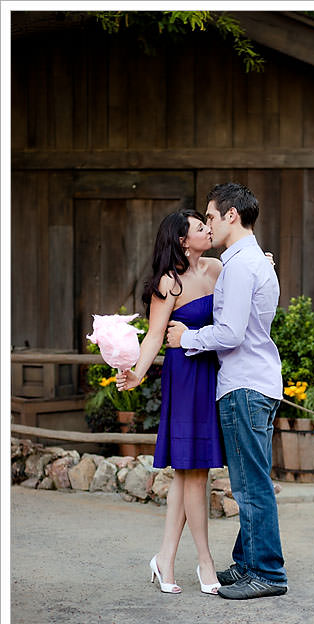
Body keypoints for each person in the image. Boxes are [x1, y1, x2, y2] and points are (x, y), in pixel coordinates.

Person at [166, 183, 288, 600]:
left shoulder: (239, 266)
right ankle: (246, 562)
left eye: (212, 216)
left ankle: (268, 573)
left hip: (244, 385)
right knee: (252, 480)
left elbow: (232, 333)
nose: (209, 223)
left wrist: (186, 338)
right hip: (259, 382)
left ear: (231, 216)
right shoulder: (257, 261)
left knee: (251, 486)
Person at [117, 209, 224, 595]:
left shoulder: (215, 269)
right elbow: (153, 336)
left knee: (188, 471)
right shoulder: (169, 283)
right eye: (200, 227)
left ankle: (165, 559)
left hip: (212, 371)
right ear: (182, 240)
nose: (207, 230)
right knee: (193, 470)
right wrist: (137, 373)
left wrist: (263, 265)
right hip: (185, 377)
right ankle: (205, 562)